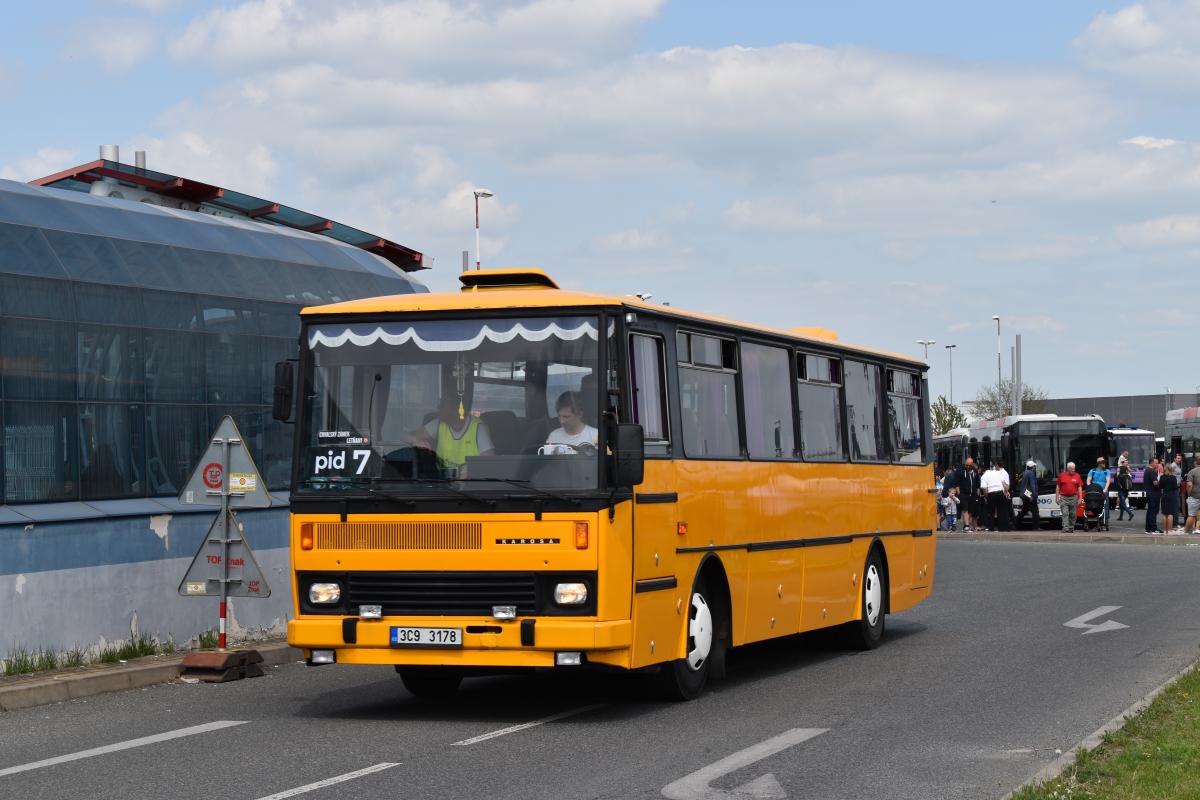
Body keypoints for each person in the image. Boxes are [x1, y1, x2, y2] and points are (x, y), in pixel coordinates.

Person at [404, 394, 495, 475]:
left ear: (456, 409)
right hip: (442, 483)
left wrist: (465, 477)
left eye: (443, 405)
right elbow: (404, 436)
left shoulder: (478, 427)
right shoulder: (439, 423)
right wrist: (415, 441)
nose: (438, 407)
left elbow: (488, 462)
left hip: (468, 485)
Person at [980, 459, 1010, 531]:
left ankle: (991, 527)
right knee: (1001, 511)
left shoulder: (984, 476)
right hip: (1000, 493)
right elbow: (1005, 484)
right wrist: (1006, 491)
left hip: (991, 494)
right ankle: (1002, 528)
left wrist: (986, 497)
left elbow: (984, 488)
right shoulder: (998, 473)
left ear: (984, 471)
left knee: (991, 512)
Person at [1055, 461, 1084, 533]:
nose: (1074, 470)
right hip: (1064, 497)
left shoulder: (1077, 476)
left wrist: (1080, 498)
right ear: (1068, 469)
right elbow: (1058, 487)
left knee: (1073, 514)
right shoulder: (1062, 475)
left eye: (1074, 469)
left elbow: (1080, 487)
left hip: (1074, 497)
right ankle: (1065, 528)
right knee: (1065, 513)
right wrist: (1057, 497)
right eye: (1072, 469)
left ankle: (1071, 527)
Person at [1014, 459, 1040, 529]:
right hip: (1029, 495)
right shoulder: (1031, 473)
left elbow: (1023, 486)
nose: (1035, 468)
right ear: (1032, 467)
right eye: (1034, 466)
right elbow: (1032, 485)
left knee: (1024, 510)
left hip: (1024, 493)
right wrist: (1033, 495)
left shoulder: (1025, 472)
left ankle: (1015, 524)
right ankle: (1035, 527)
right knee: (1035, 512)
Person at [1086, 457, 1112, 526]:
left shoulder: (1107, 471)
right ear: (1099, 464)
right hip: (1094, 490)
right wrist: (1090, 487)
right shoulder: (1092, 471)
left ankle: (1105, 519)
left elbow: (1108, 481)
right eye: (1103, 463)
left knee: (1105, 505)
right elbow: (1088, 480)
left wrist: (1105, 489)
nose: (1105, 464)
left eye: (1105, 462)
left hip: (1103, 490)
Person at [959, 458, 982, 532]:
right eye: (966, 465)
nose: (968, 466)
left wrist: (977, 495)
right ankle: (966, 525)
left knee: (971, 511)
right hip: (964, 494)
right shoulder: (961, 471)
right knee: (965, 509)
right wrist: (959, 493)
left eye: (969, 465)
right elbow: (957, 483)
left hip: (973, 494)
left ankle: (967, 525)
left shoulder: (975, 472)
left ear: (972, 464)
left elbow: (978, 485)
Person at [1160, 462, 1182, 533]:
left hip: (1164, 495)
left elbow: (1160, 486)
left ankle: (1164, 530)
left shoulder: (1162, 477)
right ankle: (1169, 530)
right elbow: (1175, 487)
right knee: (1170, 514)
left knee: (1164, 513)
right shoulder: (1173, 478)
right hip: (1171, 495)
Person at [1144, 456, 1163, 533]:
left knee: (1149, 511)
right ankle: (1154, 528)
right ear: (1151, 463)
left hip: (1149, 493)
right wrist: (1161, 483)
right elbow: (1155, 483)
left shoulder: (1146, 470)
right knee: (1153, 511)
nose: (1157, 464)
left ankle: (1148, 528)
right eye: (1156, 463)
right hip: (1154, 494)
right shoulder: (1152, 471)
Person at [1185, 457, 1200, 534]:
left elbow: (1189, 485)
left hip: (1195, 496)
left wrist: (1189, 495)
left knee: (1191, 515)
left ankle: (1186, 531)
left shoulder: (1192, 472)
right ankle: (1197, 528)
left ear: (1195, 462)